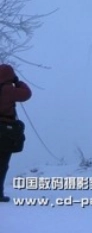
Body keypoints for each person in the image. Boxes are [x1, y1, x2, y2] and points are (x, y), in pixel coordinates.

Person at [0, 63, 32, 203]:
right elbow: (27, 94)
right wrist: (18, 82)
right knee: (2, 163)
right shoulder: (8, 90)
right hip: (4, 130)